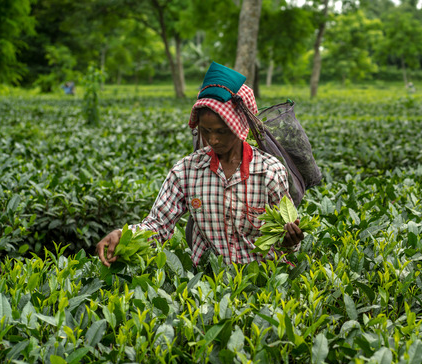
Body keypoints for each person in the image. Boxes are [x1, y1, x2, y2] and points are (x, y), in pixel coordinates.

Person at [96, 62, 304, 267]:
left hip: (261, 281)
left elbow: (286, 238)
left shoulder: (269, 172)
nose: (213, 140)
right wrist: (124, 235)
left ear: (239, 126)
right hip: (207, 284)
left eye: (221, 132)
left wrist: (289, 240)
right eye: (206, 131)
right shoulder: (187, 171)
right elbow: (157, 226)